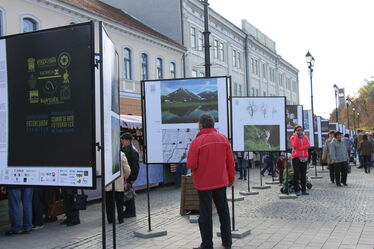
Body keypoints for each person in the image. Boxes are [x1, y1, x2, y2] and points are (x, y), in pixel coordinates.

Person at [187, 113, 235, 249]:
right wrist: (231, 178)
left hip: (203, 183)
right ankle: (227, 242)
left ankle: (207, 244)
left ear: (201, 125)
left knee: (205, 214)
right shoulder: (223, 139)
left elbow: (191, 164)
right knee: (223, 211)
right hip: (221, 181)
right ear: (213, 125)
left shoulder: (197, 141)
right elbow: (230, 162)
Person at [105, 152, 131, 224]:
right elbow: (127, 169)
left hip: (108, 184)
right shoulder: (121, 155)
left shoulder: (105, 154)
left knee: (109, 203)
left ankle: (110, 219)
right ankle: (120, 219)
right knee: (119, 202)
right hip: (119, 183)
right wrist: (125, 177)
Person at [121, 133, 139, 218]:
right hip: (125, 175)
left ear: (128, 141)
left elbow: (135, 166)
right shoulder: (124, 149)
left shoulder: (132, 151)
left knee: (129, 194)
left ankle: (131, 211)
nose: (122, 141)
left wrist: (132, 178)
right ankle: (129, 210)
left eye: (123, 140)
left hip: (129, 176)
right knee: (126, 193)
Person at [290, 125, 311, 196]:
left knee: (303, 174)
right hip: (296, 157)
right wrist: (296, 136)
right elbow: (295, 145)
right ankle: (297, 190)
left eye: (301, 130)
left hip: (304, 157)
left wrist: (300, 148)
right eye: (298, 130)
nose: (300, 131)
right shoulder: (293, 137)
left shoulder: (305, 137)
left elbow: (308, 145)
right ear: (295, 131)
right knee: (296, 174)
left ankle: (304, 190)